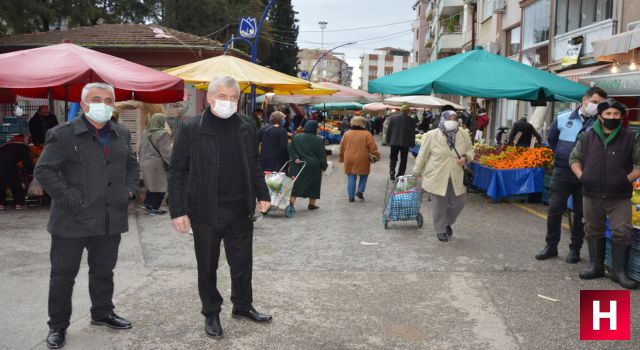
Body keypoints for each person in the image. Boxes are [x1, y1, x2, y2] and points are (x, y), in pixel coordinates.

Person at [34, 82, 139, 349]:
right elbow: (45, 171)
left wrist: (128, 191)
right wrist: (73, 200)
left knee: (104, 271)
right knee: (63, 275)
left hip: (109, 218)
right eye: (96, 99)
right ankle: (57, 326)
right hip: (71, 219)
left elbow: (131, 165)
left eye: (108, 100)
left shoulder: (121, 134)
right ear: (83, 104)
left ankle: (102, 312)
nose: (102, 104)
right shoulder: (63, 134)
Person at [168, 76, 272, 339]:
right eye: (222, 96)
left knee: (242, 262)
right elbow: (178, 172)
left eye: (233, 98)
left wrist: (263, 192)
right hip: (205, 210)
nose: (228, 102)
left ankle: (243, 305)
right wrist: (178, 211)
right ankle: (211, 312)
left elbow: (253, 162)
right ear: (209, 98)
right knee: (207, 264)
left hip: (240, 208)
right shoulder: (191, 128)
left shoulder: (247, 125)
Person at [570, 98, 639, 290]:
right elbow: (574, 158)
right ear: (600, 116)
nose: (612, 117)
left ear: (621, 117)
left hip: (619, 195)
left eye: (616, 114)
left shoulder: (631, 137)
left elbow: (639, 163)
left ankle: (619, 273)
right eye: (608, 114)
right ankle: (596, 267)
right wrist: (582, 176)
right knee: (593, 228)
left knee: (622, 231)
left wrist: (627, 179)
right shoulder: (587, 136)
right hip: (591, 193)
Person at [535, 87, 607, 263]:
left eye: (601, 104)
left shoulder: (601, 123)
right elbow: (552, 141)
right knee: (554, 210)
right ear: (585, 100)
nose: (597, 106)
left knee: (581, 214)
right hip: (562, 172)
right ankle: (551, 246)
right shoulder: (562, 118)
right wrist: (562, 155)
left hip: (587, 176)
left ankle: (575, 249)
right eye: (595, 102)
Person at [412, 110, 474, 242]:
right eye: (449, 118)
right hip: (437, 174)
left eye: (455, 118)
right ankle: (440, 229)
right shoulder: (431, 135)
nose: (453, 121)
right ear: (443, 119)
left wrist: (466, 157)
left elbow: (470, 150)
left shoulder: (464, 134)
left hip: (457, 173)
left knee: (459, 203)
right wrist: (416, 172)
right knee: (439, 205)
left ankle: (446, 223)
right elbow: (423, 155)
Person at [288, 120, 328, 210]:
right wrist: (324, 166)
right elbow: (321, 154)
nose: (319, 129)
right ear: (314, 128)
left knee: (295, 184)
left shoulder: (296, 137)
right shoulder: (318, 140)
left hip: (298, 164)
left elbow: (290, 147)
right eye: (318, 127)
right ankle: (311, 204)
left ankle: (291, 203)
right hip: (313, 166)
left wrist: (295, 157)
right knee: (314, 185)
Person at [339, 116, 380, 202]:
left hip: (349, 158)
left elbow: (342, 147)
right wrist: (376, 155)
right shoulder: (367, 134)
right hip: (363, 157)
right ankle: (360, 191)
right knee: (364, 175)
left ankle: (351, 197)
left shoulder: (347, 134)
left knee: (351, 176)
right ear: (362, 123)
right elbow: (373, 147)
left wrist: (341, 157)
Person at [139, 113, 172, 216]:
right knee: (161, 186)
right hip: (156, 164)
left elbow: (141, 148)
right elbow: (165, 152)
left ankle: (147, 204)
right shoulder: (162, 133)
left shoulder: (145, 132)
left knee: (151, 185)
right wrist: (173, 163)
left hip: (144, 161)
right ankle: (155, 209)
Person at [0, 134, 32, 210]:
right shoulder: (22, 146)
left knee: (1, 183)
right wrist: (30, 171)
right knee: (15, 183)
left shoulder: (6, 145)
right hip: (10, 164)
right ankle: (19, 203)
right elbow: (26, 161)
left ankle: (1, 204)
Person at [386, 104, 416, 181]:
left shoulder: (393, 118)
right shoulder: (411, 120)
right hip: (405, 143)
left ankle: (392, 171)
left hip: (394, 142)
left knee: (393, 158)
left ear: (401, 110)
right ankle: (400, 175)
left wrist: (387, 140)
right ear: (408, 111)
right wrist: (412, 143)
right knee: (403, 160)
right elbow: (412, 133)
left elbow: (388, 130)